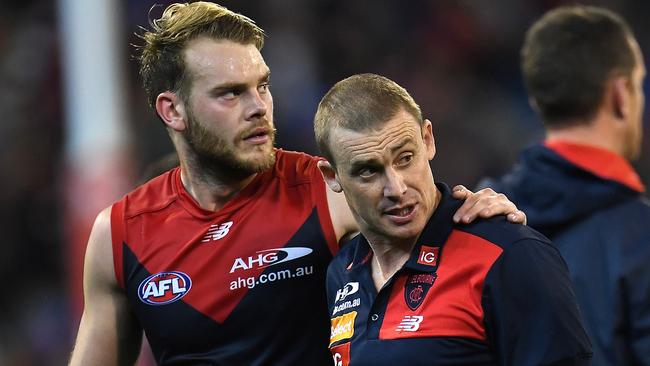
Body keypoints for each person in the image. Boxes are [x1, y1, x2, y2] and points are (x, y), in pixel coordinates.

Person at [68, 3, 526, 365]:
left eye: (262, 86)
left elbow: (444, 230)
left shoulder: (328, 190)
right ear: (173, 111)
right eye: (230, 93)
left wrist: (481, 210)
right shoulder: (121, 233)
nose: (259, 107)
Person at [315, 73, 592, 365]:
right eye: (368, 171)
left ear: (428, 140)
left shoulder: (509, 255)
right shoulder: (341, 273)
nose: (396, 189)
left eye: (405, 158)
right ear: (332, 176)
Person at [478, 6, 650, 365]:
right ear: (620, 93)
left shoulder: (476, 221)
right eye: (638, 83)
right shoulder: (641, 237)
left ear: (537, 102)